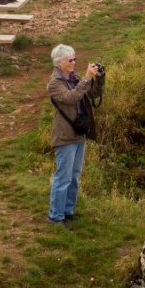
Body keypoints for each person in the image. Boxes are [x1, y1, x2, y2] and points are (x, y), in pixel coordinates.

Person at [46, 44, 99, 227]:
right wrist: (86, 79)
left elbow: (92, 94)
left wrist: (98, 78)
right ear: (60, 62)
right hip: (65, 136)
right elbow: (71, 98)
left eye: (75, 59)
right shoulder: (54, 84)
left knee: (74, 176)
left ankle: (68, 211)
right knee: (63, 177)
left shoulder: (74, 77)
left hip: (78, 134)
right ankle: (55, 216)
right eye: (71, 60)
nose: (74, 62)